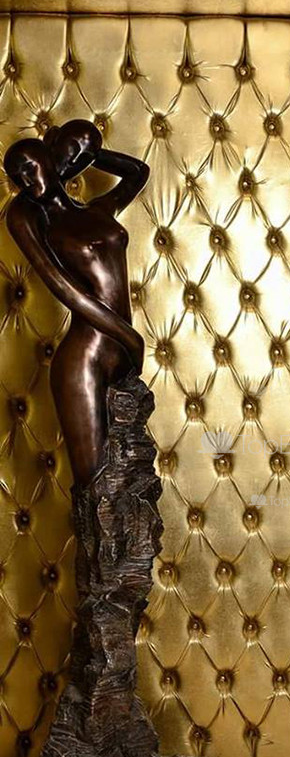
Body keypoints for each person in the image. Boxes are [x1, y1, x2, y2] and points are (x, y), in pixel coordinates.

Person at [4, 119, 148, 487]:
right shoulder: (35, 220)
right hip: (85, 357)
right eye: (17, 177)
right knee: (94, 485)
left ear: (49, 159)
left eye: (29, 167)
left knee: (129, 479)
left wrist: (87, 152)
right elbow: (64, 289)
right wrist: (129, 337)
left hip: (119, 353)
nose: (24, 180)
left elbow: (138, 172)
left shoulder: (98, 210)